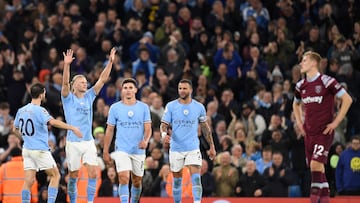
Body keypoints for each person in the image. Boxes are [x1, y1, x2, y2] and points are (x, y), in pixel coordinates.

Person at [293, 51, 353, 203]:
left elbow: (347, 99)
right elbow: (295, 104)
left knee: (315, 164)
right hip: (309, 133)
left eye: (304, 60)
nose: (301, 63)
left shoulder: (327, 81)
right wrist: (300, 123)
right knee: (319, 168)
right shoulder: (300, 85)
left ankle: (313, 198)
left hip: (324, 132)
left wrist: (336, 122)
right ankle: (325, 199)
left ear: (314, 63)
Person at [61, 48, 116, 203]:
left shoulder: (90, 96)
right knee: (73, 175)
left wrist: (110, 62)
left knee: (93, 173)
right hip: (73, 142)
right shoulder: (68, 98)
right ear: (74, 85)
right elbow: (64, 83)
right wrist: (67, 65)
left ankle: (90, 201)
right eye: (82, 82)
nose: (85, 84)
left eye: (86, 82)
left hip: (88, 141)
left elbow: (102, 79)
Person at [13, 83, 82, 203]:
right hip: (39, 150)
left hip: (27, 150)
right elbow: (53, 122)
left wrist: (27, 138)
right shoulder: (40, 111)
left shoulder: (21, 110)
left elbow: (14, 129)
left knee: (28, 181)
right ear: (42, 94)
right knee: (56, 175)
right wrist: (72, 128)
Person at [160, 79, 216, 203]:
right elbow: (163, 124)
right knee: (177, 180)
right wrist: (164, 135)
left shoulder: (199, 107)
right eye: (180, 88)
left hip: (193, 147)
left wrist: (212, 146)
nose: (182, 91)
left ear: (191, 90)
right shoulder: (171, 106)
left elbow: (205, 128)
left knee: (196, 178)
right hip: (176, 148)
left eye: (185, 88)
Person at [103, 78, 152, 203]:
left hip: (138, 150)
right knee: (124, 178)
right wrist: (105, 150)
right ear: (122, 90)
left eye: (131, 88)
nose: (128, 90)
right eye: (125, 88)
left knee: (136, 181)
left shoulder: (144, 107)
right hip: (121, 150)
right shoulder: (114, 108)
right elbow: (109, 130)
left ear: (136, 90)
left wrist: (145, 141)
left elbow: (148, 129)